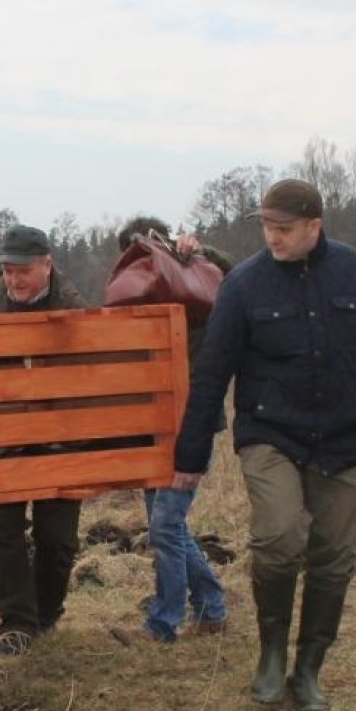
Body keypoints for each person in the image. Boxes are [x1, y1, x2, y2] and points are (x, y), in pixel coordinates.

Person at [172, 179, 356, 711]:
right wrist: (189, 456)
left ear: (314, 226)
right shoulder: (245, 285)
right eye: (267, 228)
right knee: (278, 539)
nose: (273, 238)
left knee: (335, 557)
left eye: (284, 229)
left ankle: (309, 668)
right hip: (270, 434)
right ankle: (271, 652)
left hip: (342, 438)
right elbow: (212, 372)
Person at [0, 223, 86, 655]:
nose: (13, 280)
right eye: (8, 271)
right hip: (1, 438)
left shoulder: (72, 308)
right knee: (0, 529)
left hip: (57, 439)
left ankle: (46, 612)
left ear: (46, 265)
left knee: (58, 539)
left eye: (23, 271)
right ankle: (16, 622)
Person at [110, 215, 230, 646]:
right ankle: (212, 606)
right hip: (150, 426)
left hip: (191, 426)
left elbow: (236, 277)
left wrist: (201, 252)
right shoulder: (134, 302)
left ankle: (163, 625)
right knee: (167, 525)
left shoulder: (198, 286)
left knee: (165, 525)